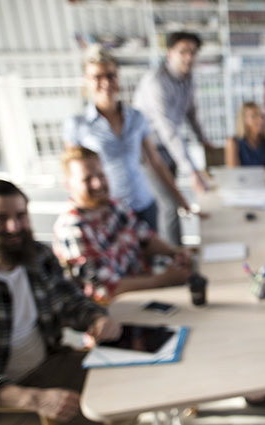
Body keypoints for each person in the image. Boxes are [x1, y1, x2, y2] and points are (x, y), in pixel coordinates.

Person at [0, 179, 131, 425]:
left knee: (126, 386)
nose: (14, 227)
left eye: (20, 216)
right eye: (0, 219)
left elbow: (71, 302)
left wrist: (95, 319)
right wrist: (33, 399)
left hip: (47, 365)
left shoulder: (37, 257)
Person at [64, 45, 193, 231]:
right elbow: (72, 174)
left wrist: (180, 199)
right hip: (107, 209)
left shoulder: (137, 117)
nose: (106, 82)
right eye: (97, 77)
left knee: (152, 256)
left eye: (110, 75)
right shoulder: (77, 124)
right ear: (86, 80)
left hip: (143, 203)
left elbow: (155, 162)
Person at [53, 146, 194, 305]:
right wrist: (164, 279)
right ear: (68, 185)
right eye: (87, 179)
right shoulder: (72, 229)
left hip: (145, 293)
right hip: (116, 310)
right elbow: (106, 289)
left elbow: (145, 237)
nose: (98, 184)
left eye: (101, 175)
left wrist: (175, 252)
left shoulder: (114, 205)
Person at [134, 31, 216, 246]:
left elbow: (191, 113)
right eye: (183, 52)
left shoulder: (188, 79)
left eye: (193, 52)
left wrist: (204, 140)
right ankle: (174, 259)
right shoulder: (156, 82)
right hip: (149, 150)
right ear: (169, 53)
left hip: (169, 148)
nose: (188, 57)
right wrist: (192, 169)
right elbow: (167, 129)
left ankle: (176, 252)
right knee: (170, 204)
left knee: (173, 204)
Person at [224, 101, 265, 182]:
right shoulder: (232, 142)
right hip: (244, 185)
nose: (260, 119)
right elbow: (233, 173)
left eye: (261, 115)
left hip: (264, 184)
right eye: (254, 116)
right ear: (244, 120)